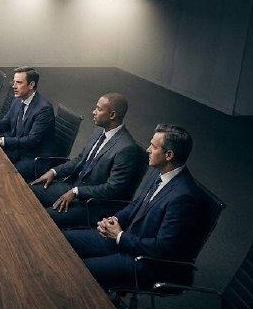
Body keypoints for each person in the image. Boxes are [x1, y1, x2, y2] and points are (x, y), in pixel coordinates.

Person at [63, 124, 201, 289]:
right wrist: (113, 220)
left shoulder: (184, 197)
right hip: (126, 240)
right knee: (64, 240)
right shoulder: (159, 171)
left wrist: (120, 236)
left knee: (80, 271)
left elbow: (161, 249)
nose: (148, 150)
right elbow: (137, 204)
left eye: (154, 147)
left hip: (144, 260)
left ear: (169, 155)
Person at [30, 93, 146, 228]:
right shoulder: (98, 131)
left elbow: (113, 188)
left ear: (112, 115)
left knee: (44, 218)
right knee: (29, 191)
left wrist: (77, 192)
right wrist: (54, 171)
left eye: (99, 109)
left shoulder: (126, 149)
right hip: (73, 188)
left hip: (90, 203)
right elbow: (80, 159)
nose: (94, 112)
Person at [0, 66, 55, 181]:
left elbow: (32, 140)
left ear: (31, 85)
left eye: (19, 83)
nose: (14, 86)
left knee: (2, 175)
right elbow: (5, 123)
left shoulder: (44, 109)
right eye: (14, 82)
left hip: (33, 158)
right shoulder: (18, 100)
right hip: (17, 149)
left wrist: (1, 140)